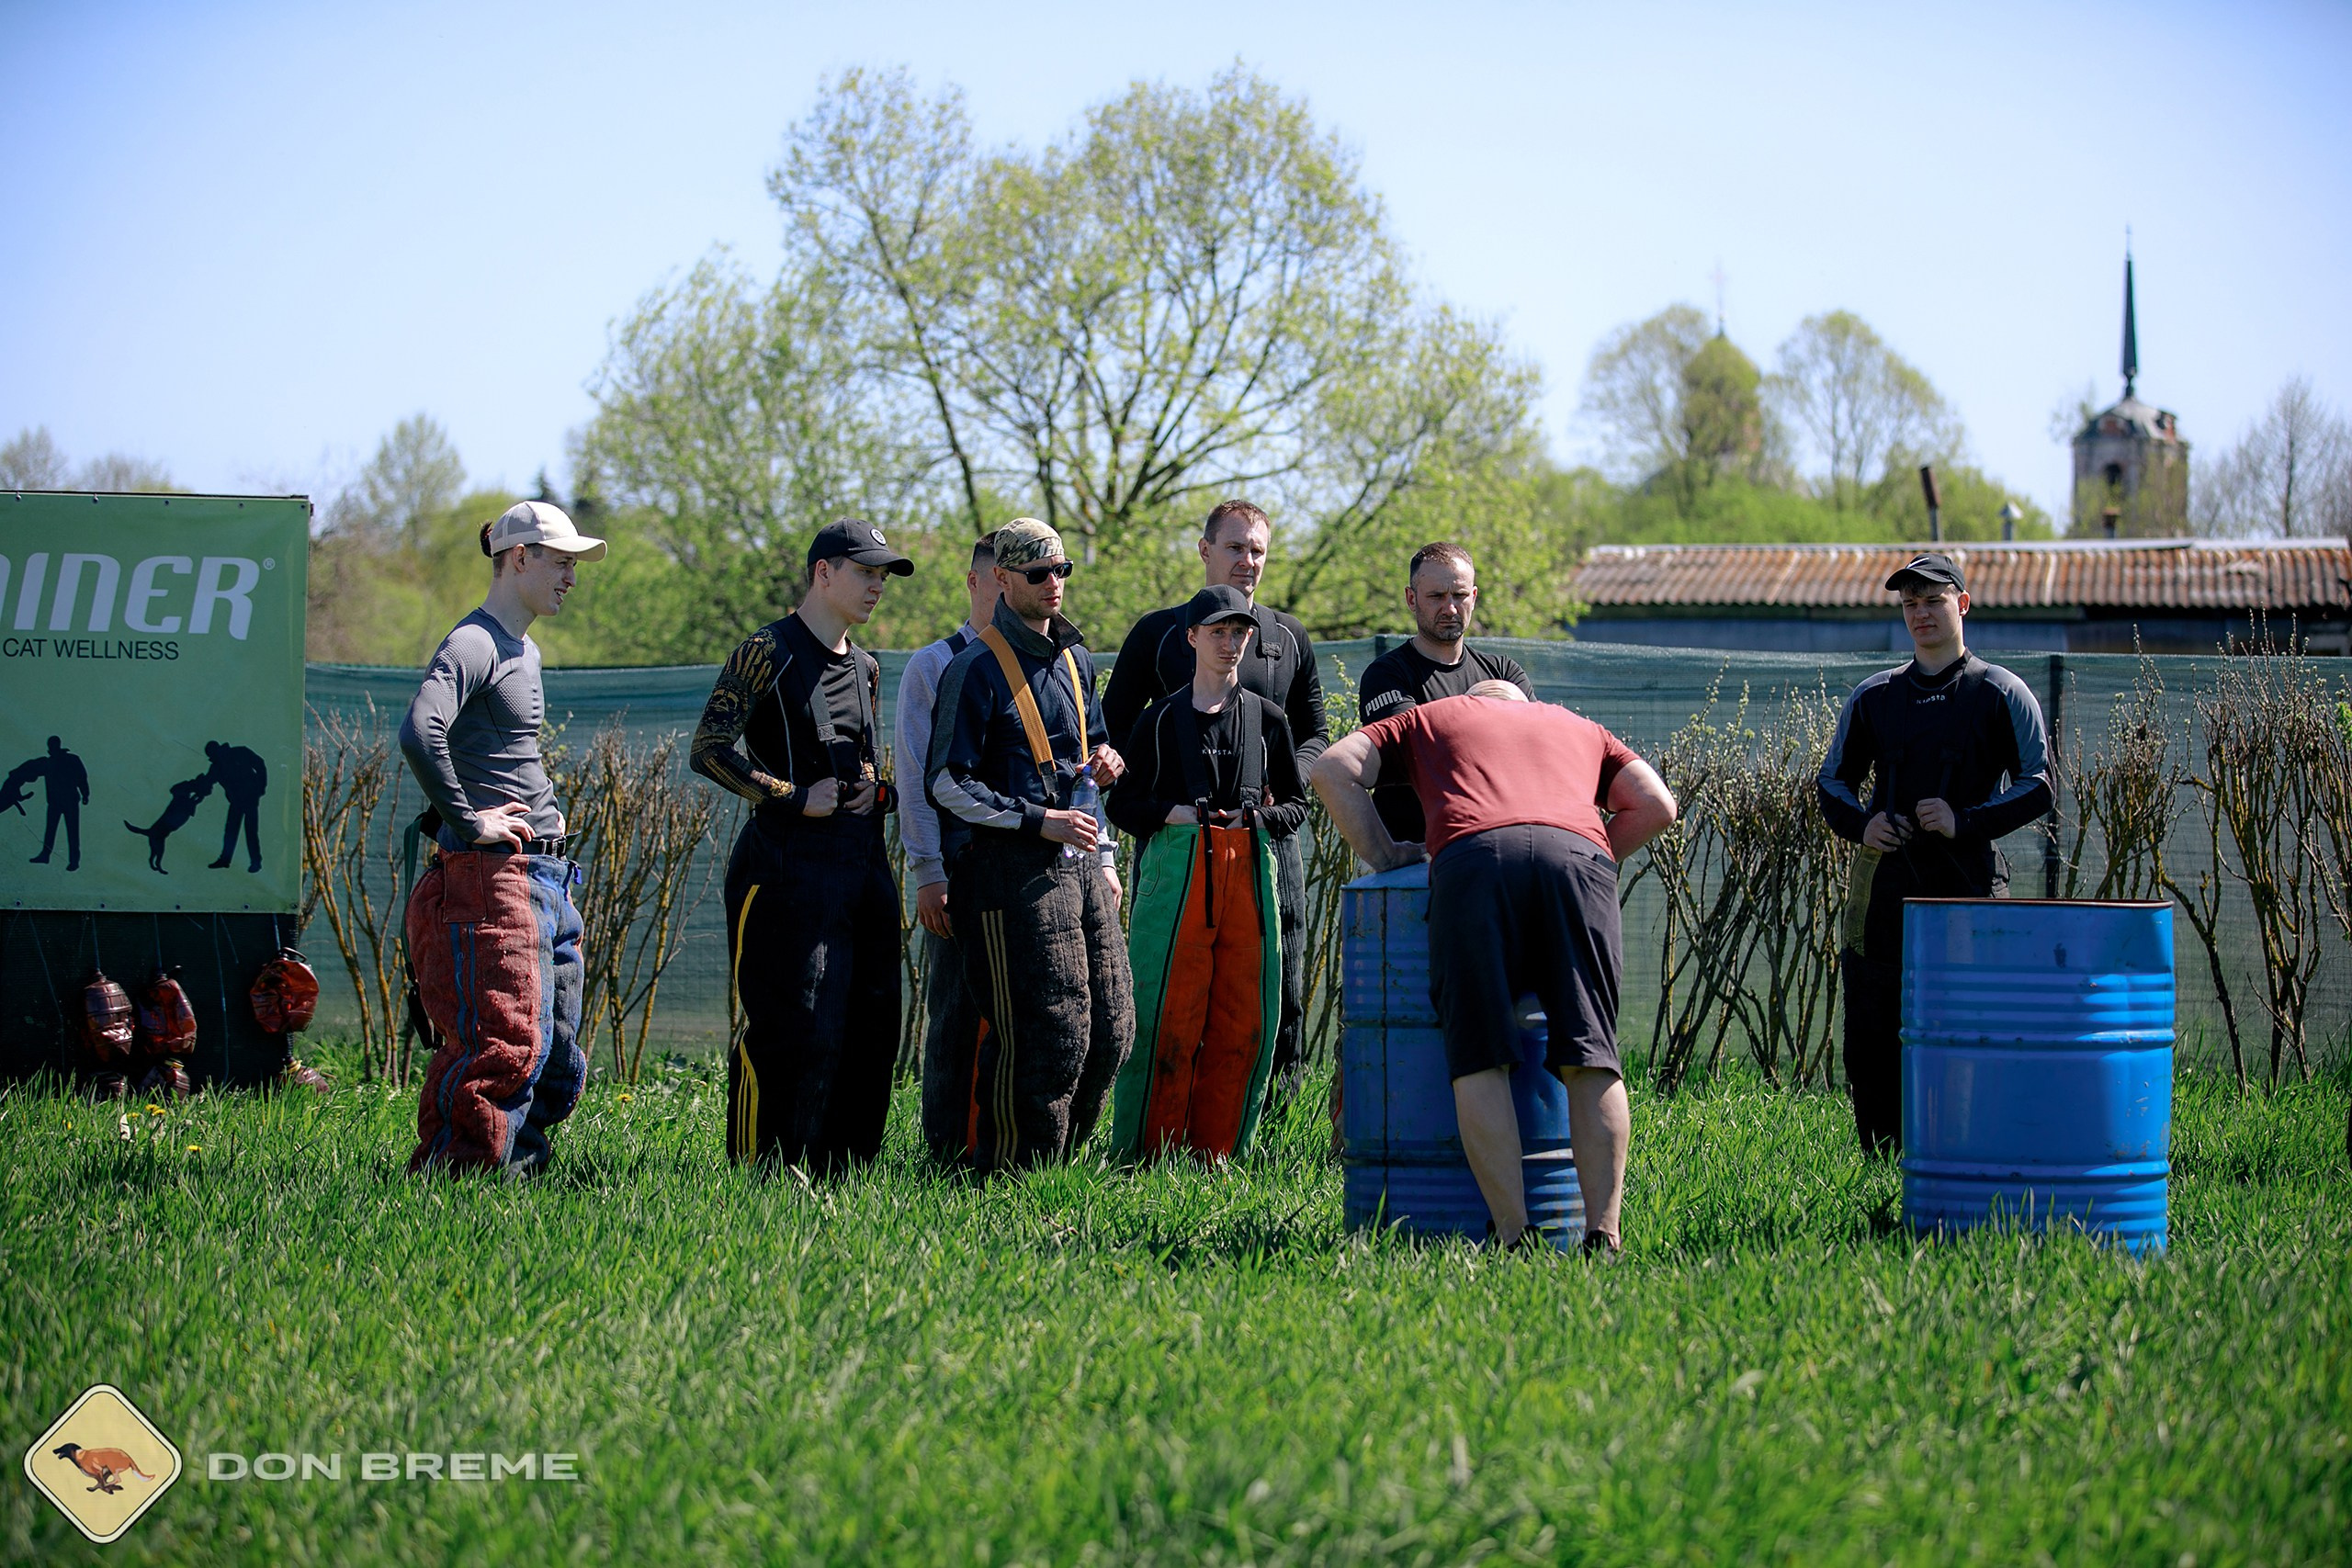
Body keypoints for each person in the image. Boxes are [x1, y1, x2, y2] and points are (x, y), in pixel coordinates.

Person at [1313, 680, 1678, 1257]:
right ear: (1523, 706)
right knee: (1591, 1054)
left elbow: (1332, 768)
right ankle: (1603, 1234)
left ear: (1474, 702)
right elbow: (1658, 805)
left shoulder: (1431, 718)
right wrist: (1591, 854)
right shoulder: (1578, 726)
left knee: (1480, 1054)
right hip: (1577, 861)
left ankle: (1513, 1235)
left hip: (1475, 859)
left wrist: (1387, 855)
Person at [693, 519, 913, 1172]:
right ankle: (763, 1175)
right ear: (824, 572)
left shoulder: (869, 668)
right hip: (786, 865)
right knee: (796, 1024)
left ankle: (843, 1174)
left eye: (883, 575)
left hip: (864, 863)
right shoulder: (766, 649)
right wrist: (790, 793)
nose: (877, 586)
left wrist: (879, 790)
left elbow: (862, 761)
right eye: (865, 571)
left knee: (871, 1024)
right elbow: (708, 749)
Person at [1816, 552, 2052, 1156]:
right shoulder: (1875, 696)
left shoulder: (2002, 691)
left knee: (1972, 1025)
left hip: (1970, 883)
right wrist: (1864, 825)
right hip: (1883, 890)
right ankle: (1882, 1159)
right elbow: (1830, 783)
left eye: (1933, 600)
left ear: (1963, 604)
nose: (1920, 613)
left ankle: (1972, 1152)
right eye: (1910, 603)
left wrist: (1965, 820)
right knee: (1873, 1031)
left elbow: (2040, 784)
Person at [398, 500, 602, 1176]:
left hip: (545, 878)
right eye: (562, 561)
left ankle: (519, 1178)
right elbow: (420, 728)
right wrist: (471, 820)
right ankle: (455, 1186)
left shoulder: (525, 648)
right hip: (492, 877)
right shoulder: (474, 642)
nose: (572, 576)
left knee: (557, 1047)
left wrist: (548, 812)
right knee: (504, 1043)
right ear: (520, 557)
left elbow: (505, 752)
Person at [925, 518, 1133, 1172]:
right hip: (1004, 873)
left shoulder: (1076, 659)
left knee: (1112, 1028)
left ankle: (1063, 1170)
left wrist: (1107, 768)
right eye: (1039, 573)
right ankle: (1011, 1177)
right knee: (1047, 1032)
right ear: (1003, 580)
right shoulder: (973, 668)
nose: (1054, 584)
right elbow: (943, 782)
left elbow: (1088, 757)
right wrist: (1034, 819)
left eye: (1062, 571)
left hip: (1079, 867)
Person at [1102, 500, 1327, 1098]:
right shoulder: (1159, 633)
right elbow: (1112, 730)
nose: (1247, 560)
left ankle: (1270, 1133)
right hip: (1179, 843)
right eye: (1235, 547)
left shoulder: (1287, 638)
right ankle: (1163, 1122)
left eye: (1257, 549)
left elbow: (1314, 734)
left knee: (1278, 983)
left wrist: (1286, 783)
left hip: (1267, 841)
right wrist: (1155, 802)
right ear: (1205, 550)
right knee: (1173, 982)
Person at [898, 531, 1004, 1165]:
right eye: (999, 579)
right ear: (975, 583)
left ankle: (1005, 1152)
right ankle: (945, 1152)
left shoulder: (1051, 662)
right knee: (956, 1014)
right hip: (957, 875)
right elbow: (913, 776)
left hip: (1028, 875)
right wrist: (928, 868)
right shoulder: (933, 665)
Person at [1356, 542, 1535, 846]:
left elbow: (1532, 752)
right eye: (1436, 596)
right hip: (1414, 860)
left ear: (1474, 597)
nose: (1450, 608)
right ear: (1411, 599)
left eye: (1460, 595)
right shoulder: (1387, 675)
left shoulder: (1505, 672)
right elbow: (1418, 755)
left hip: (1495, 848)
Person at [201, 740, 268, 872]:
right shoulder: (216, 767)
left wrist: (261, 787)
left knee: (250, 831)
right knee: (231, 830)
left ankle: (256, 862)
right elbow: (207, 783)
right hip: (236, 801)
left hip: (250, 797)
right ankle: (225, 860)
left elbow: (260, 764)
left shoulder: (240, 752)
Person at [24, 736, 89, 871]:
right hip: (55, 801)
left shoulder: (69, 760)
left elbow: (82, 777)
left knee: (71, 831)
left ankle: (74, 861)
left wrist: (85, 794)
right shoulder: (50, 762)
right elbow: (33, 772)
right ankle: (46, 855)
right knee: (52, 829)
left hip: (69, 801)